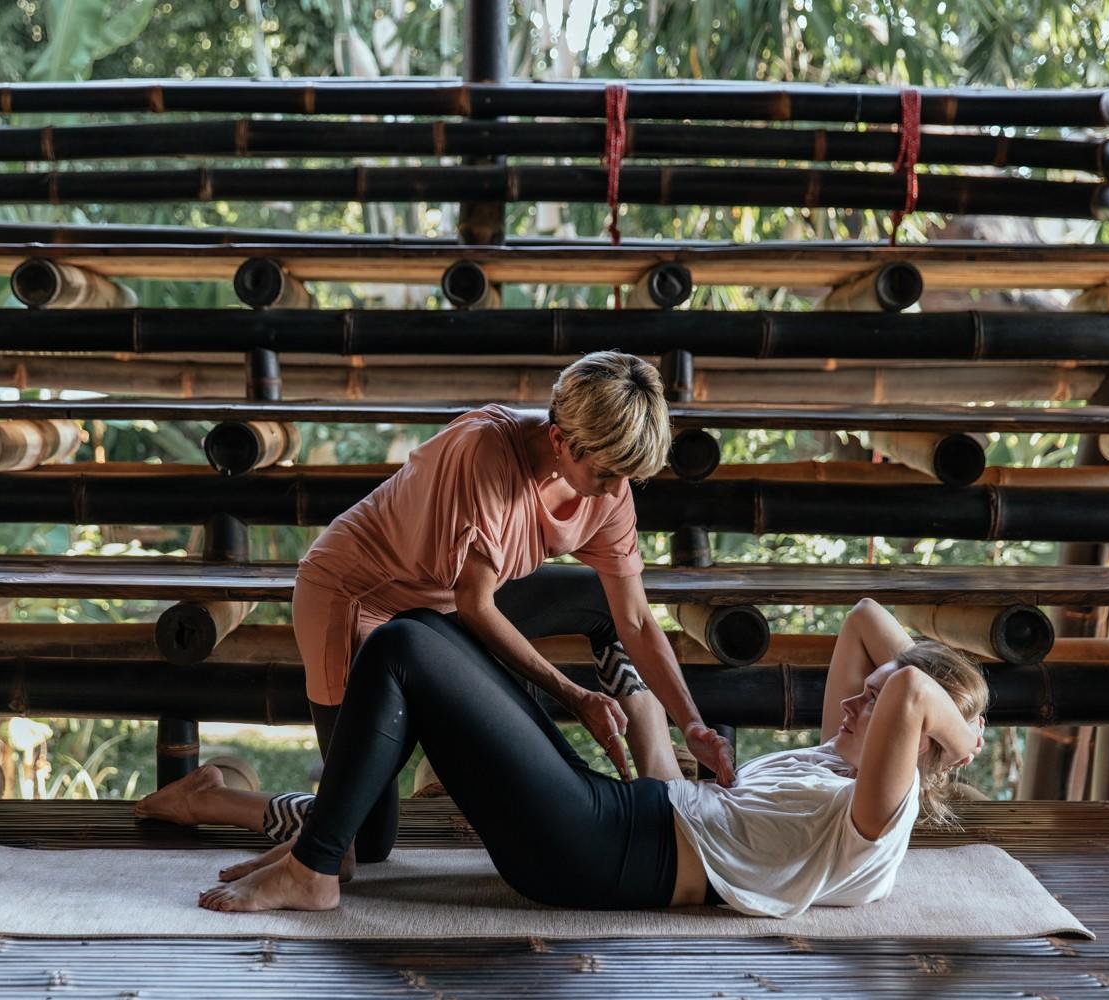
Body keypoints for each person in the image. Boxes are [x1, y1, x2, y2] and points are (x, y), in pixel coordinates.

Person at [142, 351, 736, 861]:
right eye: (605, 474)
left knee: (599, 605)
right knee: (363, 841)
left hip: (443, 608)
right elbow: (476, 607)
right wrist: (575, 695)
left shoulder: (609, 486)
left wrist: (693, 724)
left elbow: (635, 619)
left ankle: (661, 781)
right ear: (560, 440)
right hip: (354, 599)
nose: (614, 491)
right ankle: (209, 798)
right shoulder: (485, 453)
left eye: (626, 477)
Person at [174, 598, 987, 916]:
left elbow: (912, 685)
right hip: (610, 818)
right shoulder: (834, 761)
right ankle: (323, 847)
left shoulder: (877, 819)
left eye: (872, 702)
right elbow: (865, 618)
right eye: (863, 692)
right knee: (425, 629)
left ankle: (317, 865)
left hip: (598, 851)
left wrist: (965, 736)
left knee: (403, 649)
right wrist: (645, 718)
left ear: (920, 738)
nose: (850, 704)